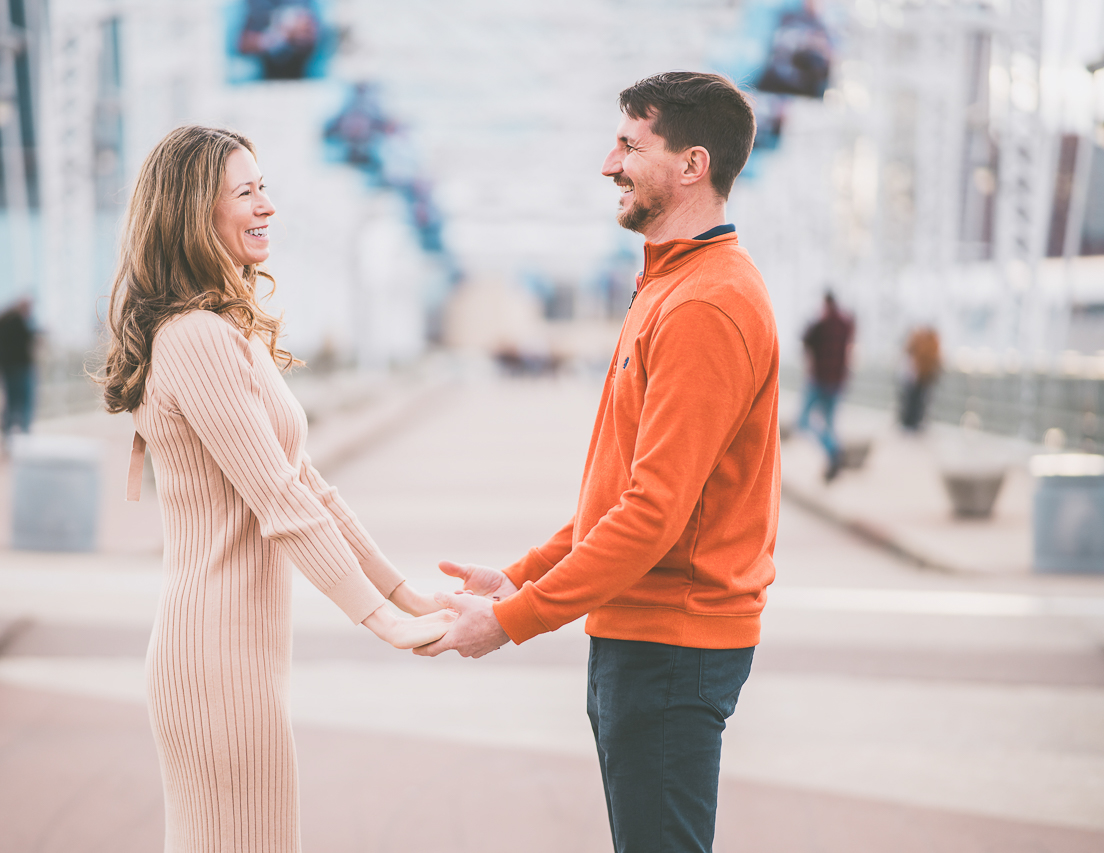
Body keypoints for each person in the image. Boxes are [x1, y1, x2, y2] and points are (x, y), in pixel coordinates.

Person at [417, 72, 779, 853]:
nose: (607, 164)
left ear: (692, 164)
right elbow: (625, 493)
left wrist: (512, 621)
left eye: (628, 144)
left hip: (672, 644)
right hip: (649, 637)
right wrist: (524, 573)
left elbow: (653, 515)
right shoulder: (670, 286)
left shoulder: (703, 305)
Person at [101, 126, 454, 852]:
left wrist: (404, 594)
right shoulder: (195, 338)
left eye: (265, 187)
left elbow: (310, 486)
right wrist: (379, 621)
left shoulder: (226, 332)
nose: (266, 204)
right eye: (245, 190)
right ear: (194, 210)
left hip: (242, 655)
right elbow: (281, 502)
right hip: (215, 659)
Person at [798, 290, 854, 481]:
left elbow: (805, 339)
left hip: (819, 380)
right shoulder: (846, 323)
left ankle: (833, 449)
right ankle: (832, 460)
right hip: (837, 381)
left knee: (803, 420)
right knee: (830, 424)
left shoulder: (820, 323)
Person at [0, 296, 37, 448]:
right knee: (25, 403)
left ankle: (7, 437)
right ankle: (25, 436)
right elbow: (29, 342)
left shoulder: (0, 321)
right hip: (22, 367)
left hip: (7, 368)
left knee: (9, 403)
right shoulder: (20, 322)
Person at [900, 325, 941, 431]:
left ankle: (913, 422)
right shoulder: (924, 341)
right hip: (917, 375)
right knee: (913, 400)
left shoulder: (930, 342)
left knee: (918, 401)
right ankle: (910, 422)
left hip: (923, 376)